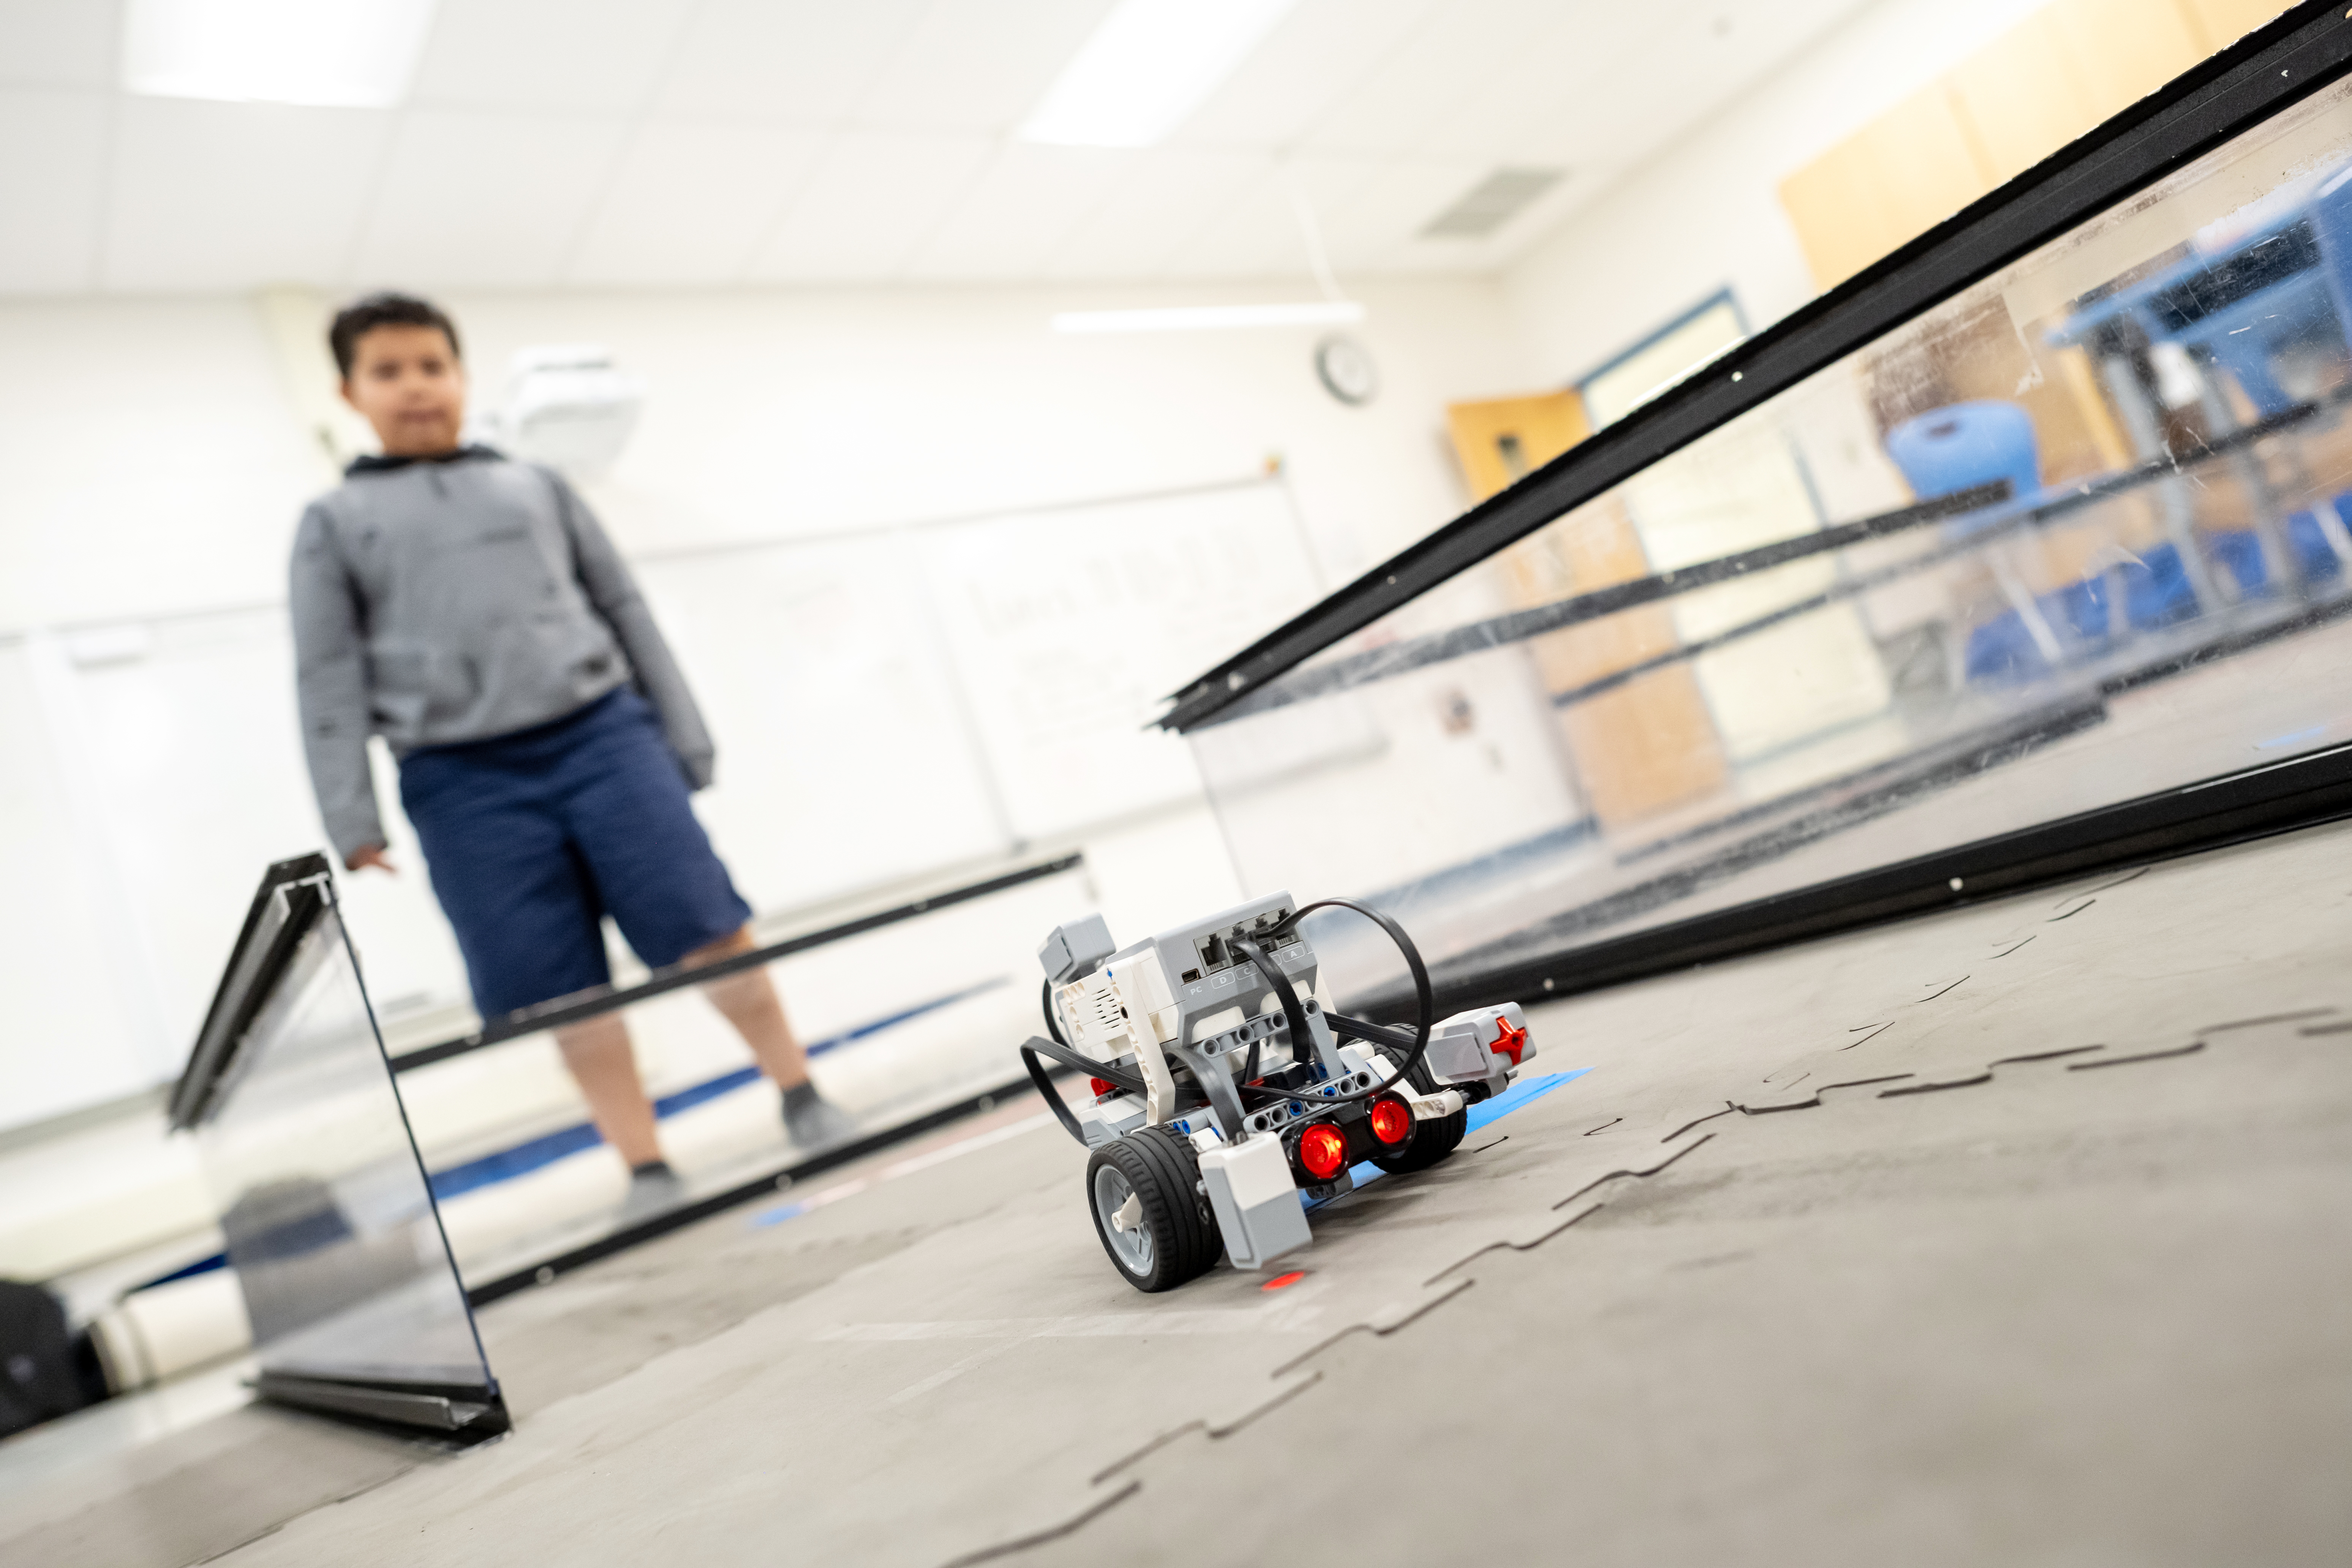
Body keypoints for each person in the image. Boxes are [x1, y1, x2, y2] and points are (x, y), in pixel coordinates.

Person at [289, 292, 852, 1209]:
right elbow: (326, 673)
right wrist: (350, 816)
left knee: (709, 926)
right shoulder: (334, 522)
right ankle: (646, 1166)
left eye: (432, 366)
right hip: (459, 782)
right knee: (557, 992)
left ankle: (800, 1091)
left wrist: (685, 733)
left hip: (602, 738)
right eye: (388, 372)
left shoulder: (534, 486)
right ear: (352, 392)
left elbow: (624, 608)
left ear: (462, 378)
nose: (416, 387)